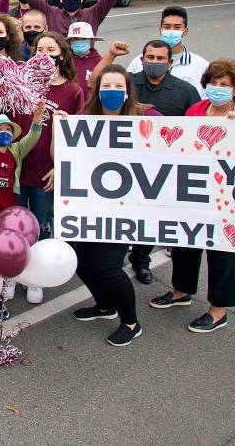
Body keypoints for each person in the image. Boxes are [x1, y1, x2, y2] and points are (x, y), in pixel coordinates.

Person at [149, 58, 235, 333]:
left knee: (222, 254)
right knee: (185, 245)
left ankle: (218, 309)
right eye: (213, 83)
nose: (217, 88)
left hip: (228, 199)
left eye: (224, 85)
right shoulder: (196, 110)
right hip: (195, 193)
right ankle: (181, 291)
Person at [70, 64, 143, 347]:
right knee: (78, 258)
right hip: (87, 206)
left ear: (127, 93)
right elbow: (62, 154)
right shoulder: (83, 119)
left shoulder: (145, 118)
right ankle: (104, 306)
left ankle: (131, 322)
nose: (112, 92)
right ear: (97, 92)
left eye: (118, 88)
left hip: (123, 210)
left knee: (108, 267)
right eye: (106, 87)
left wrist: (231, 122)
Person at [124, 39, 203, 283]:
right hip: (126, 162)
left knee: (151, 218)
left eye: (160, 59)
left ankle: (141, 260)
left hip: (162, 166)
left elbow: (196, 129)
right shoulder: (129, 84)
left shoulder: (185, 91)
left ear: (170, 63)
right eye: (150, 57)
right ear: (142, 58)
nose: (154, 63)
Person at [0, 100, 45, 320]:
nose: (3, 132)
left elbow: (31, 138)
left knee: (0, 255)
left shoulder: (16, 150)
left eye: (7, 129)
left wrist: (37, 119)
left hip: (7, 212)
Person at [16, 32, 84, 249]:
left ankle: (37, 276)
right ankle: (12, 271)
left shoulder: (72, 90)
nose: (45, 55)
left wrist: (61, 167)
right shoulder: (22, 85)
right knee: (15, 224)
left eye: (51, 51)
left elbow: (78, 138)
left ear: (62, 55)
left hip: (45, 172)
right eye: (40, 51)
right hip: (18, 169)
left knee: (41, 225)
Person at [126, 6, 209, 96]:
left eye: (177, 27)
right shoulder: (138, 62)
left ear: (185, 31)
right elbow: (125, 89)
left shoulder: (200, 65)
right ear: (160, 29)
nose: (171, 31)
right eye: (167, 27)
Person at [65, 21, 117, 100]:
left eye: (84, 39)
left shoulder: (101, 63)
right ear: (70, 41)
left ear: (92, 40)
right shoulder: (65, 62)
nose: (79, 41)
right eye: (75, 39)